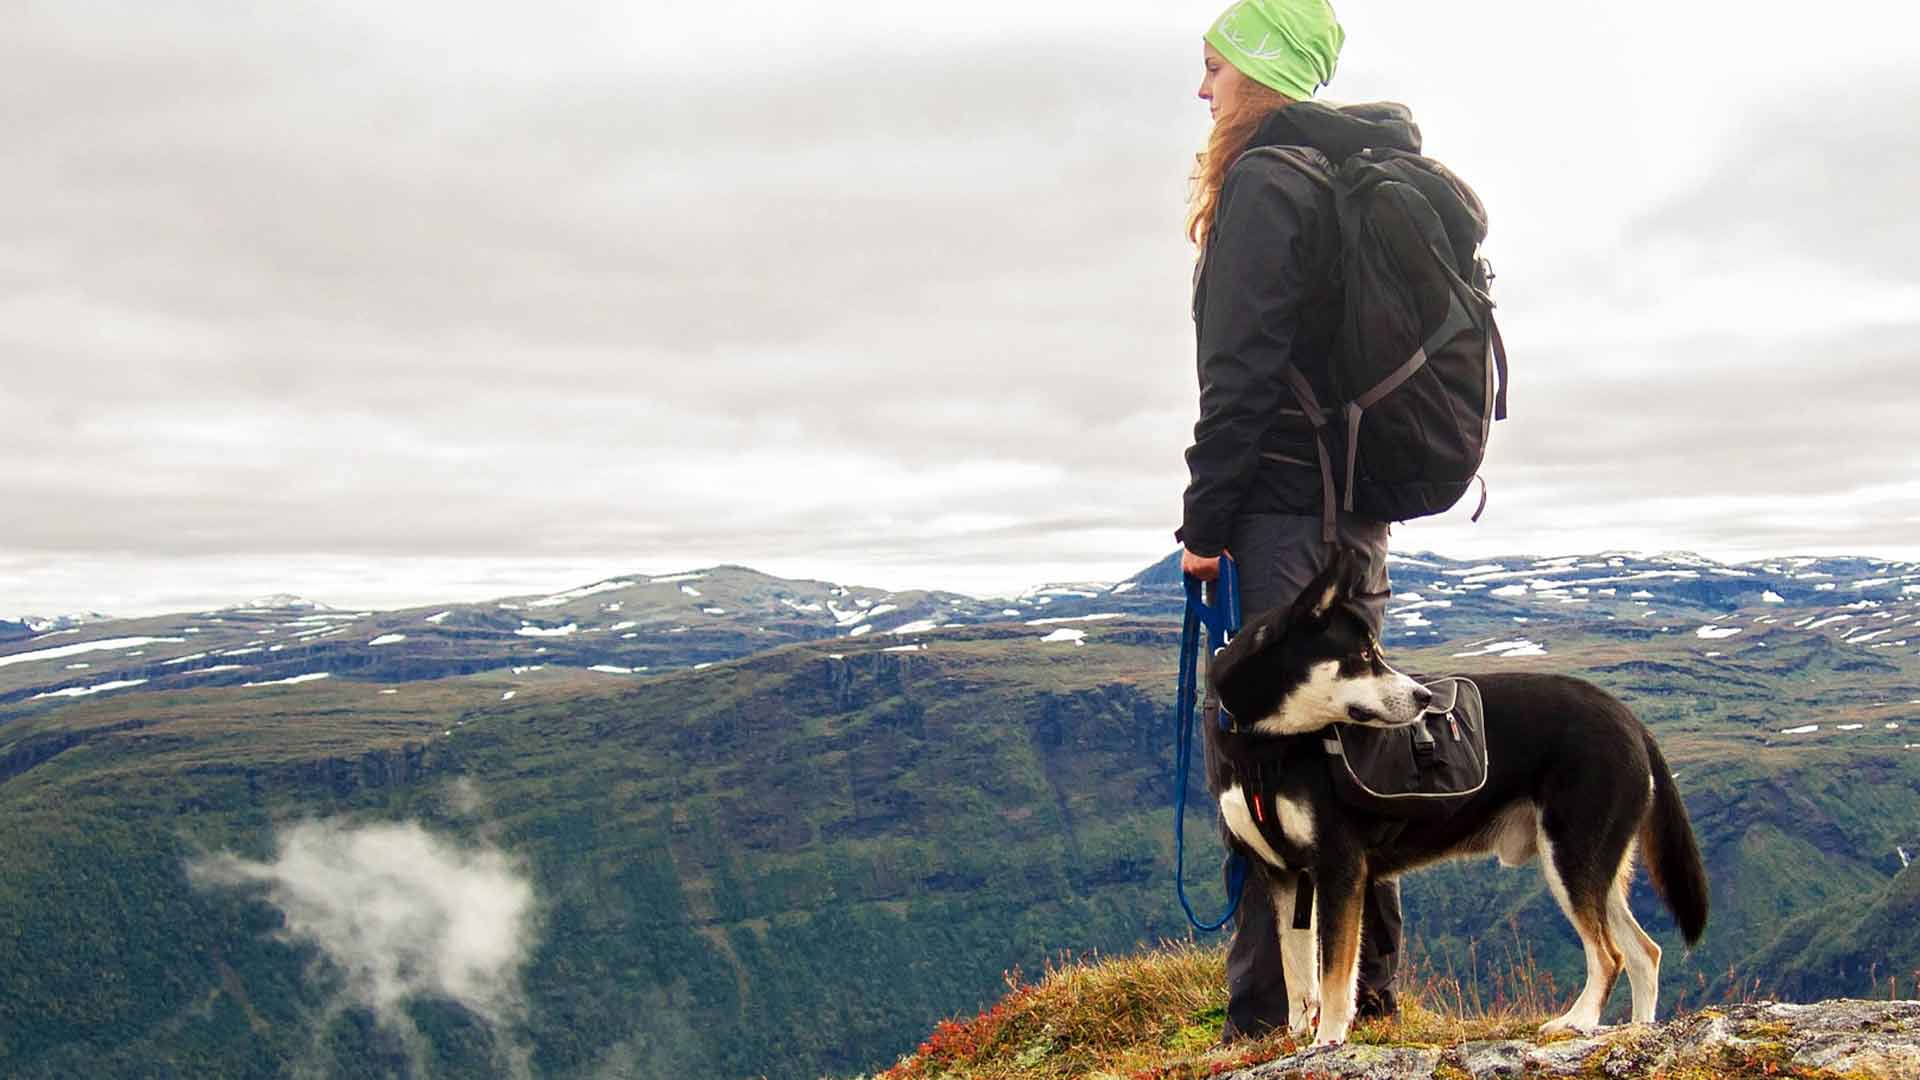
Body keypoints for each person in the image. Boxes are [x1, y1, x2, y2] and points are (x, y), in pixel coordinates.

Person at [1175, 0, 1416, 1043]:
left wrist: (1204, 520)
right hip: (1351, 514)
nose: (1203, 89)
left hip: (1278, 512)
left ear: (1259, 72)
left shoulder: (1268, 183)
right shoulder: (1336, 180)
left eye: (1214, 67)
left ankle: (1265, 1019)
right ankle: (1364, 994)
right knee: (1347, 746)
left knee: (1264, 754)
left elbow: (1241, 374)